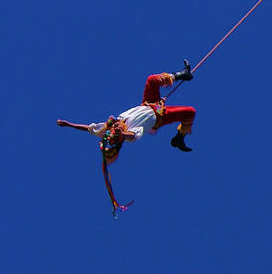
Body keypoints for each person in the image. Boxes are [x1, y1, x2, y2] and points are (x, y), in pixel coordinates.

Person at [57, 62, 196, 214]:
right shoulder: (131, 132)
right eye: (116, 133)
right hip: (159, 116)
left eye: (113, 131)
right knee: (190, 112)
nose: (115, 128)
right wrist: (123, 134)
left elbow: (90, 129)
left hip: (149, 103)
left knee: (152, 80)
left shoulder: (109, 126)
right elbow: (132, 136)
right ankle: (180, 136)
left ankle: (181, 75)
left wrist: (68, 124)